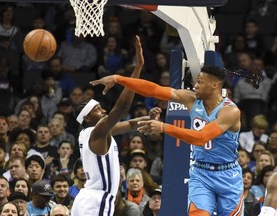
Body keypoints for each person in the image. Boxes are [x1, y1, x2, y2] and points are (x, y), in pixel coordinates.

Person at [91, 65, 244, 215]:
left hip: (227, 174)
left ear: (215, 85)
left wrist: (164, 127)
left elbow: (201, 138)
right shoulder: (190, 99)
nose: (195, 85)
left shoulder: (230, 111)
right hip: (201, 172)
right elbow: (154, 90)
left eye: (200, 82)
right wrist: (119, 79)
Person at [71, 35, 144, 216]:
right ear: (87, 118)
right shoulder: (97, 133)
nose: (103, 111)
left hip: (88, 199)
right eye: (97, 109)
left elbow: (128, 124)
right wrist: (135, 71)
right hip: (97, 201)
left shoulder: (91, 133)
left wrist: (148, 119)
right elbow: (123, 107)